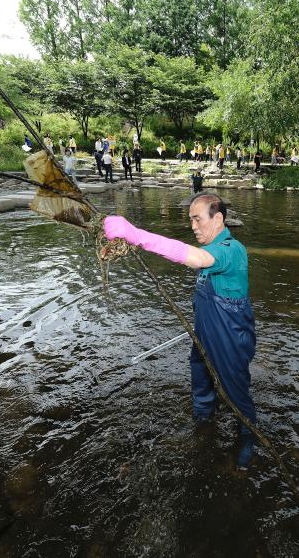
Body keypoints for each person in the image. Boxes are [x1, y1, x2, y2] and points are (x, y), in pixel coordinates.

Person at [103, 194, 257, 467]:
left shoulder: (230, 250)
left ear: (218, 219)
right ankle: (203, 423)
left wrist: (136, 235)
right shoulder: (213, 247)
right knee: (201, 383)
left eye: (198, 219)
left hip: (231, 341)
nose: (193, 227)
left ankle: (248, 436)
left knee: (237, 392)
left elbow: (195, 258)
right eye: (190, 220)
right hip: (203, 336)